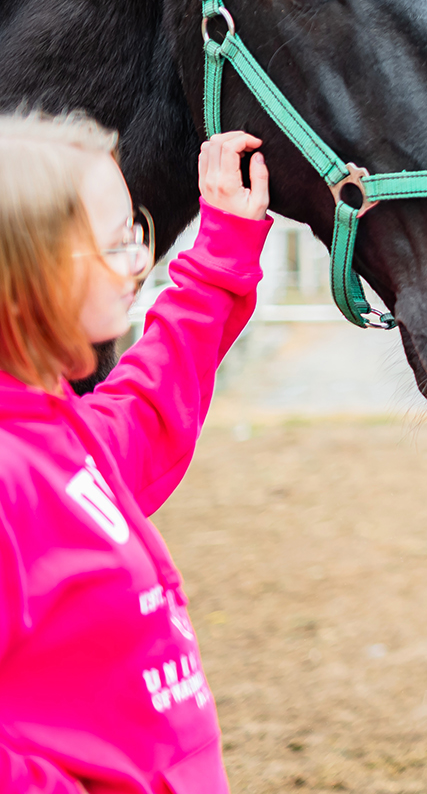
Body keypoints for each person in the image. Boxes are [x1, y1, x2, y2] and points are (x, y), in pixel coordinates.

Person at [0, 113, 271, 793]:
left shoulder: (57, 432)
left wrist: (223, 245)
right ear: (30, 267)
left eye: (137, 233)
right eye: (116, 242)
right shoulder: (11, 476)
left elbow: (147, 407)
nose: (139, 260)